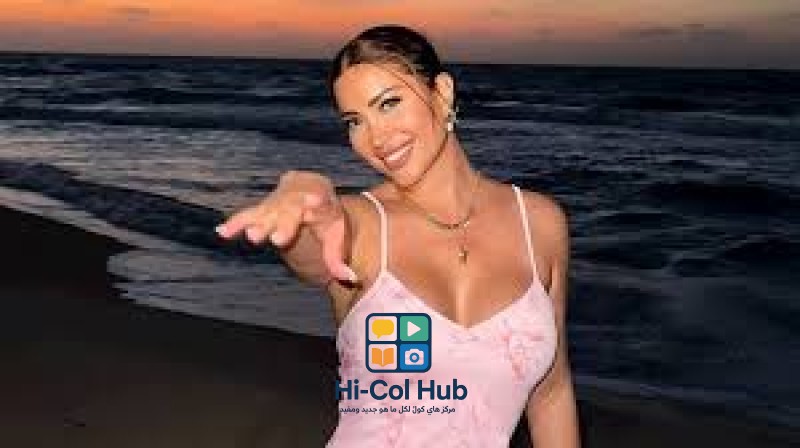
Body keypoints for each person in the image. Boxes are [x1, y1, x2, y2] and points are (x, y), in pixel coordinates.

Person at [216, 24, 580, 447]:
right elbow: (314, 258)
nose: (375, 138)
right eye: (355, 122)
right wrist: (304, 195)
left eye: (388, 103)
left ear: (442, 93)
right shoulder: (362, 225)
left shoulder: (540, 223)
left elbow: (551, 393)